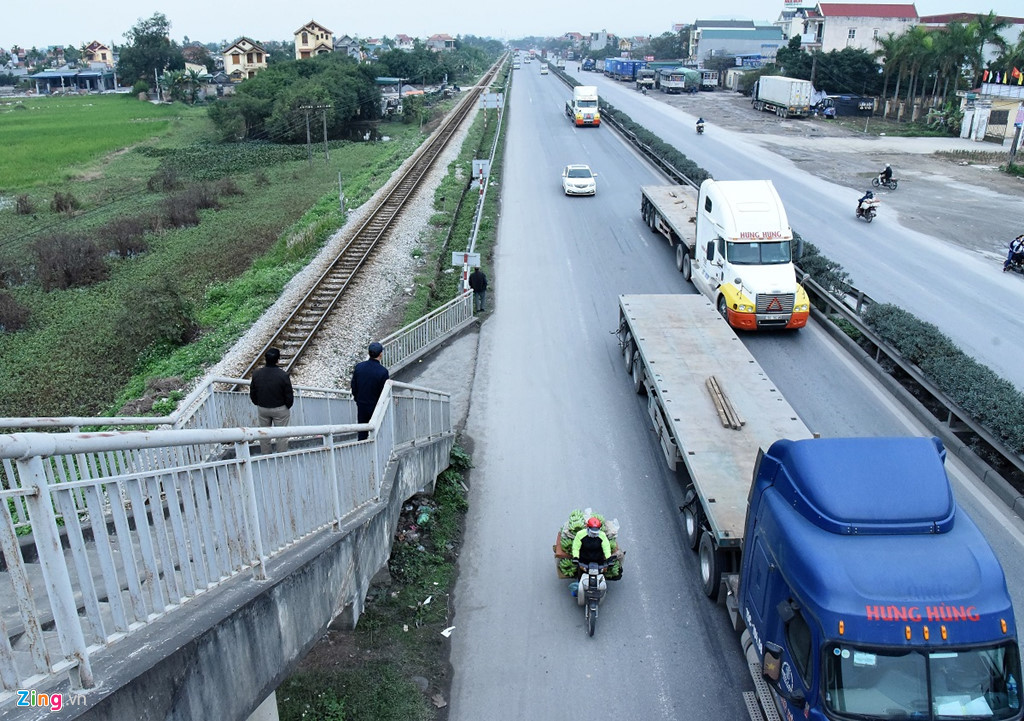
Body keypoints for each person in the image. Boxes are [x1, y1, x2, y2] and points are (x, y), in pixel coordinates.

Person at [249, 347, 294, 455]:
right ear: (278, 360)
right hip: (280, 409)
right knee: (281, 435)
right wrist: (287, 406)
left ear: (265, 359)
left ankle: (266, 457)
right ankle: (281, 457)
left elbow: (253, 392)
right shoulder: (283, 375)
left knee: (264, 434)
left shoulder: (257, 374)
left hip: (263, 408)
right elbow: (289, 394)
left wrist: (258, 403)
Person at [350, 341, 390, 440]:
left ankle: (361, 452)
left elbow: (353, 385)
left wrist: (357, 398)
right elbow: (383, 393)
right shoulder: (383, 372)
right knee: (376, 431)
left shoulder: (359, 367)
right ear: (380, 354)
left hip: (362, 404)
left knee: (362, 431)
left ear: (369, 353)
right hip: (376, 406)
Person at [571, 517, 613, 606]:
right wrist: (575, 557)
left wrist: (609, 558)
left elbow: (606, 547)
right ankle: (579, 590)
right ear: (587, 528)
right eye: (592, 531)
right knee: (580, 575)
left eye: (596, 531)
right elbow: (576, 547)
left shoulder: (602, 536)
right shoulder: (580, 534)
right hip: (584, 561)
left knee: (602, 576)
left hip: (598, 562)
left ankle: (602, 588)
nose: (594, 534)